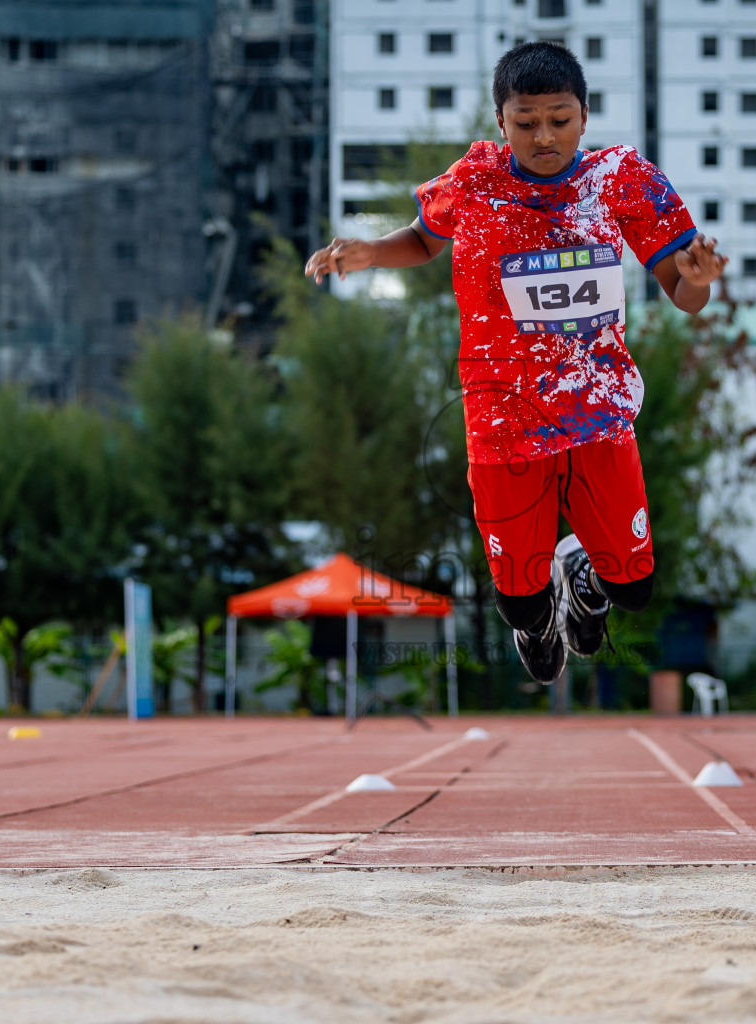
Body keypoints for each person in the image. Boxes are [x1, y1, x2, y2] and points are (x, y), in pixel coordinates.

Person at [303, 41, 726, 683]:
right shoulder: (474, 182)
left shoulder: (621, 181)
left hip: (597, 408)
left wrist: (699, 280)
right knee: (519, 601)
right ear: (501, 123)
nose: (544, 137)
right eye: (526, 122)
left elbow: (683, 295)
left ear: (584, 116)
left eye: (559, 119)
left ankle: (583, 577)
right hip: (503, 419)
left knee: (635, 589)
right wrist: (368, 254)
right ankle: (539, 613)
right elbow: (422, 237)